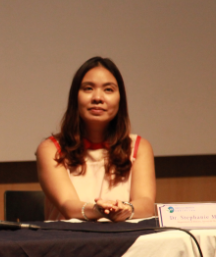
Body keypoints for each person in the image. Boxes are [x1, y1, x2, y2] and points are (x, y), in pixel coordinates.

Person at [36, 57, 155, 222]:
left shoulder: (139, 147)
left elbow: (147, 204)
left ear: (120, 99)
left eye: (108, 90)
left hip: (125, 236)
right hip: (67, 237)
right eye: (88, 88)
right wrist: (100, 210)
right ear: (75, 97)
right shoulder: (51, 148)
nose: (98, 97)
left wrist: (125, 210)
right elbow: (67, 205)